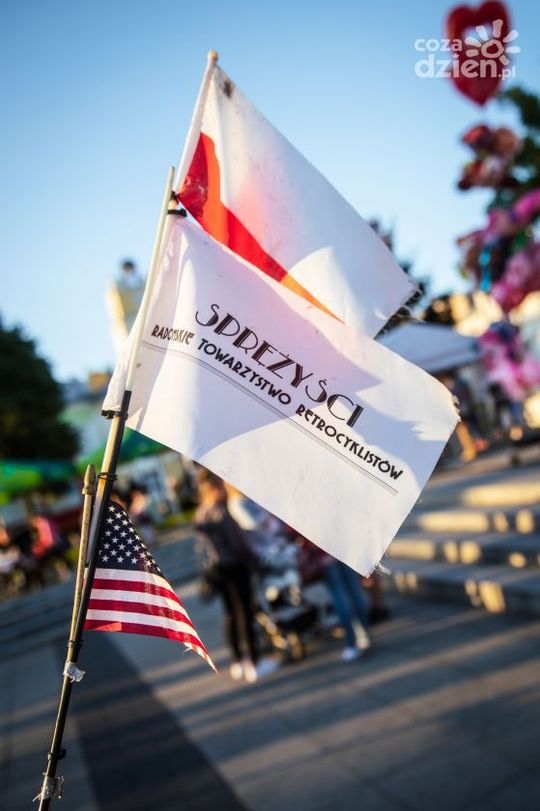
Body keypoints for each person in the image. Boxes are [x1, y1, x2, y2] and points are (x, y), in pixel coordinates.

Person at [195, 469, 279, 683]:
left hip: (216, 570)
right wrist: (253, 559)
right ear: (216, 487)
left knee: (230, 614)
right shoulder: (221, 512)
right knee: (245, 612)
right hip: (234, 566)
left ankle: (238, 660)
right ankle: (255, 662)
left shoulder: (201, 512)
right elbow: (237, 544)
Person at [298, 538, 371, 662]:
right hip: (345, 549)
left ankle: (352, 642)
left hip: (326, 554)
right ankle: (363, 634)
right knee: (354, 593)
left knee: (341, 598)